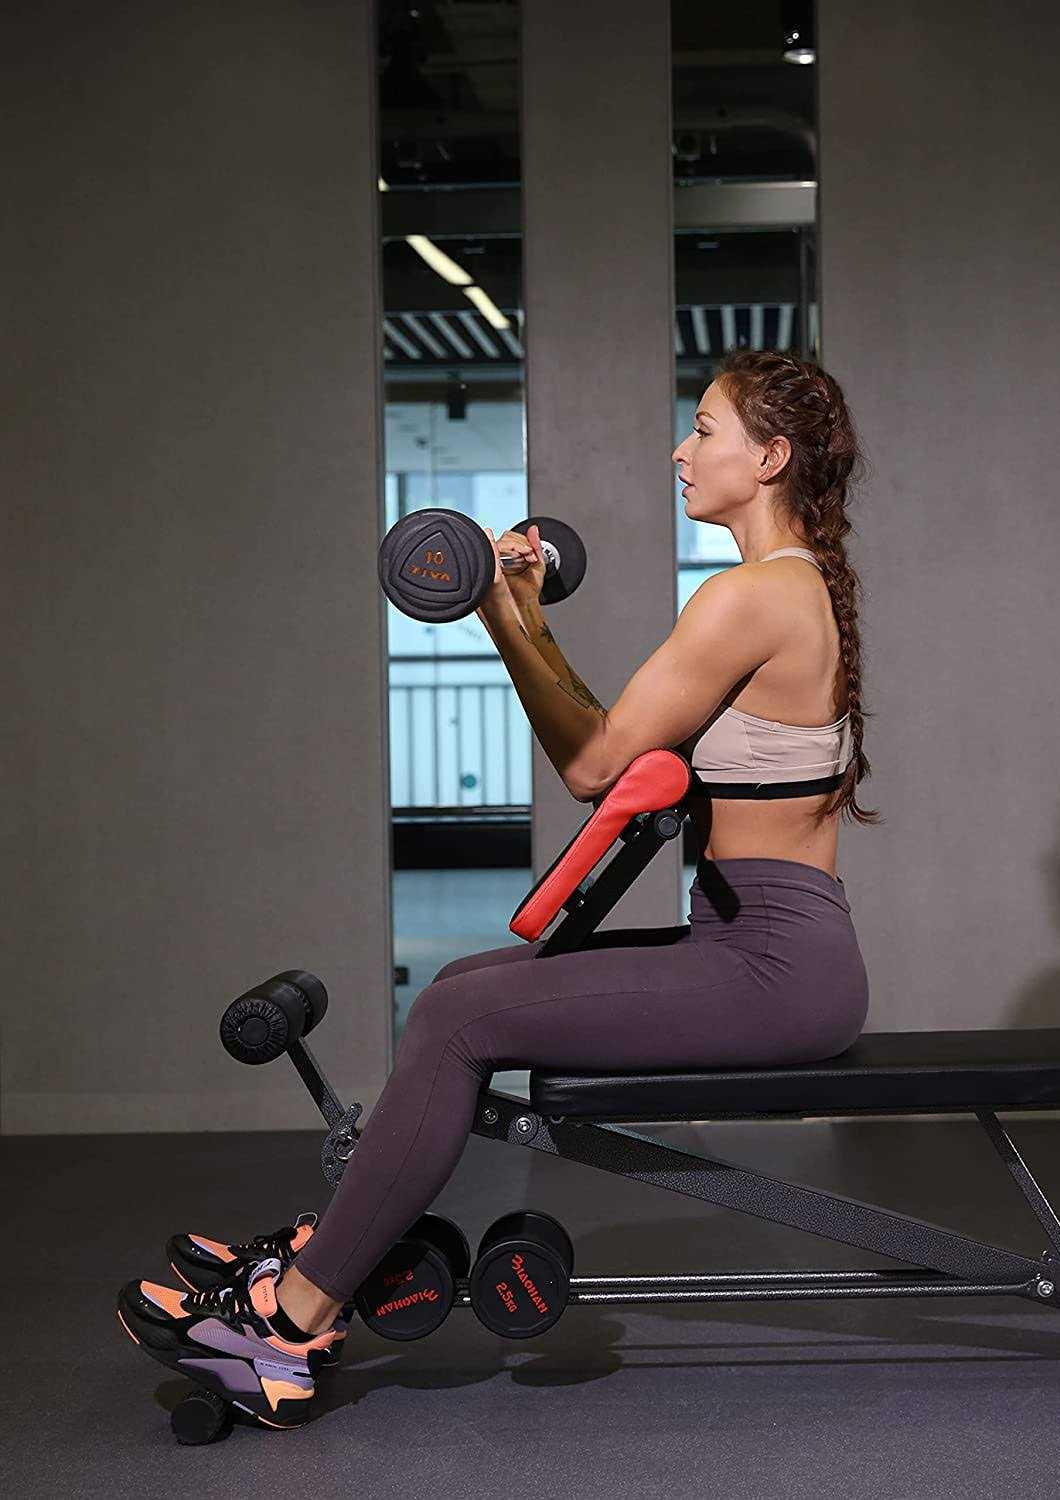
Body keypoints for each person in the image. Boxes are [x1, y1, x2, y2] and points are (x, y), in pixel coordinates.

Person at [117, 350, 880, 1429]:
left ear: (770, 457)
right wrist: (518, 610)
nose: (681, 449)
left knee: (455, 1018)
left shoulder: (749, 597)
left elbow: (593, 765)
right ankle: (331, 1247)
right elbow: (611, 734)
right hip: (766, 949)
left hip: (772, 967)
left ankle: (285, 1328)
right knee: (464, 987)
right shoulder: (786, 589)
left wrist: (491, 608)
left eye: (704, 429)